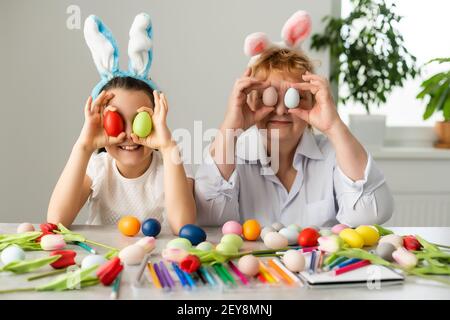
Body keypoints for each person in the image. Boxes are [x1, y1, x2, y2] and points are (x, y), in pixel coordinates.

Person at [194, 11, 393, 228]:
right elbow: (208, 216)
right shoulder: (234, 156)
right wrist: (231, 124)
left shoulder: (334, 155)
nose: (280, 109)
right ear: (251, 102)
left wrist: (333, 125)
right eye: (268, 96)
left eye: (294, 98)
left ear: (312, 102)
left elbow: (371, 213)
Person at [47, 14, 195, 234]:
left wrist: (168, 146)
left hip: (153, 261)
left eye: (139, 121)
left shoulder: (171, 167)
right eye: (115, 121)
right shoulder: (99, 168)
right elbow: (56, 221)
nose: (127, 134)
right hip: (104, 260)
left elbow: (183, 227)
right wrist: (84, 146)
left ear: (156, 120)